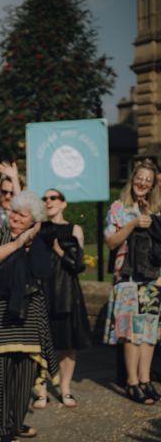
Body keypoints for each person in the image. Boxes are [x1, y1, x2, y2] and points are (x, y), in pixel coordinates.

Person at [0, 191, 59, 442]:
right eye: (14, 212)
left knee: (24, 374)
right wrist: (18, 243)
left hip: (28, 317)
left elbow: (43, 273)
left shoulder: (38, 242)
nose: (16, 217)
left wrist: (32, 241)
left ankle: (14, 423)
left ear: (32, 220)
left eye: (22, 214)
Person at [103, 159, 161, 405]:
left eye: (148, 180)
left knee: (148, 332)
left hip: (152, 279)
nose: (143, 183)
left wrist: (149, 215)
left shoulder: (157, 210)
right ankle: (132, 382)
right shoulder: (118, 208)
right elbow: (111, 242)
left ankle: (146, 380)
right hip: (126, 278)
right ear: (132, 179)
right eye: (140, 178)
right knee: (130, 333)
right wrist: (133, 223)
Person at [33, 188, 90, 409]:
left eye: (53, 197)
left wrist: (59, 251)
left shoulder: (74, 229)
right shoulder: (38, 228)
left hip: (66, 291)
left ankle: (65, 389)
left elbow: (79, 265)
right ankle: (41, 390)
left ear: (63, 203)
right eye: (45, 198)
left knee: (68, 344)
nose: (48, 201)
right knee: (40, 345)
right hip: (43, 292)